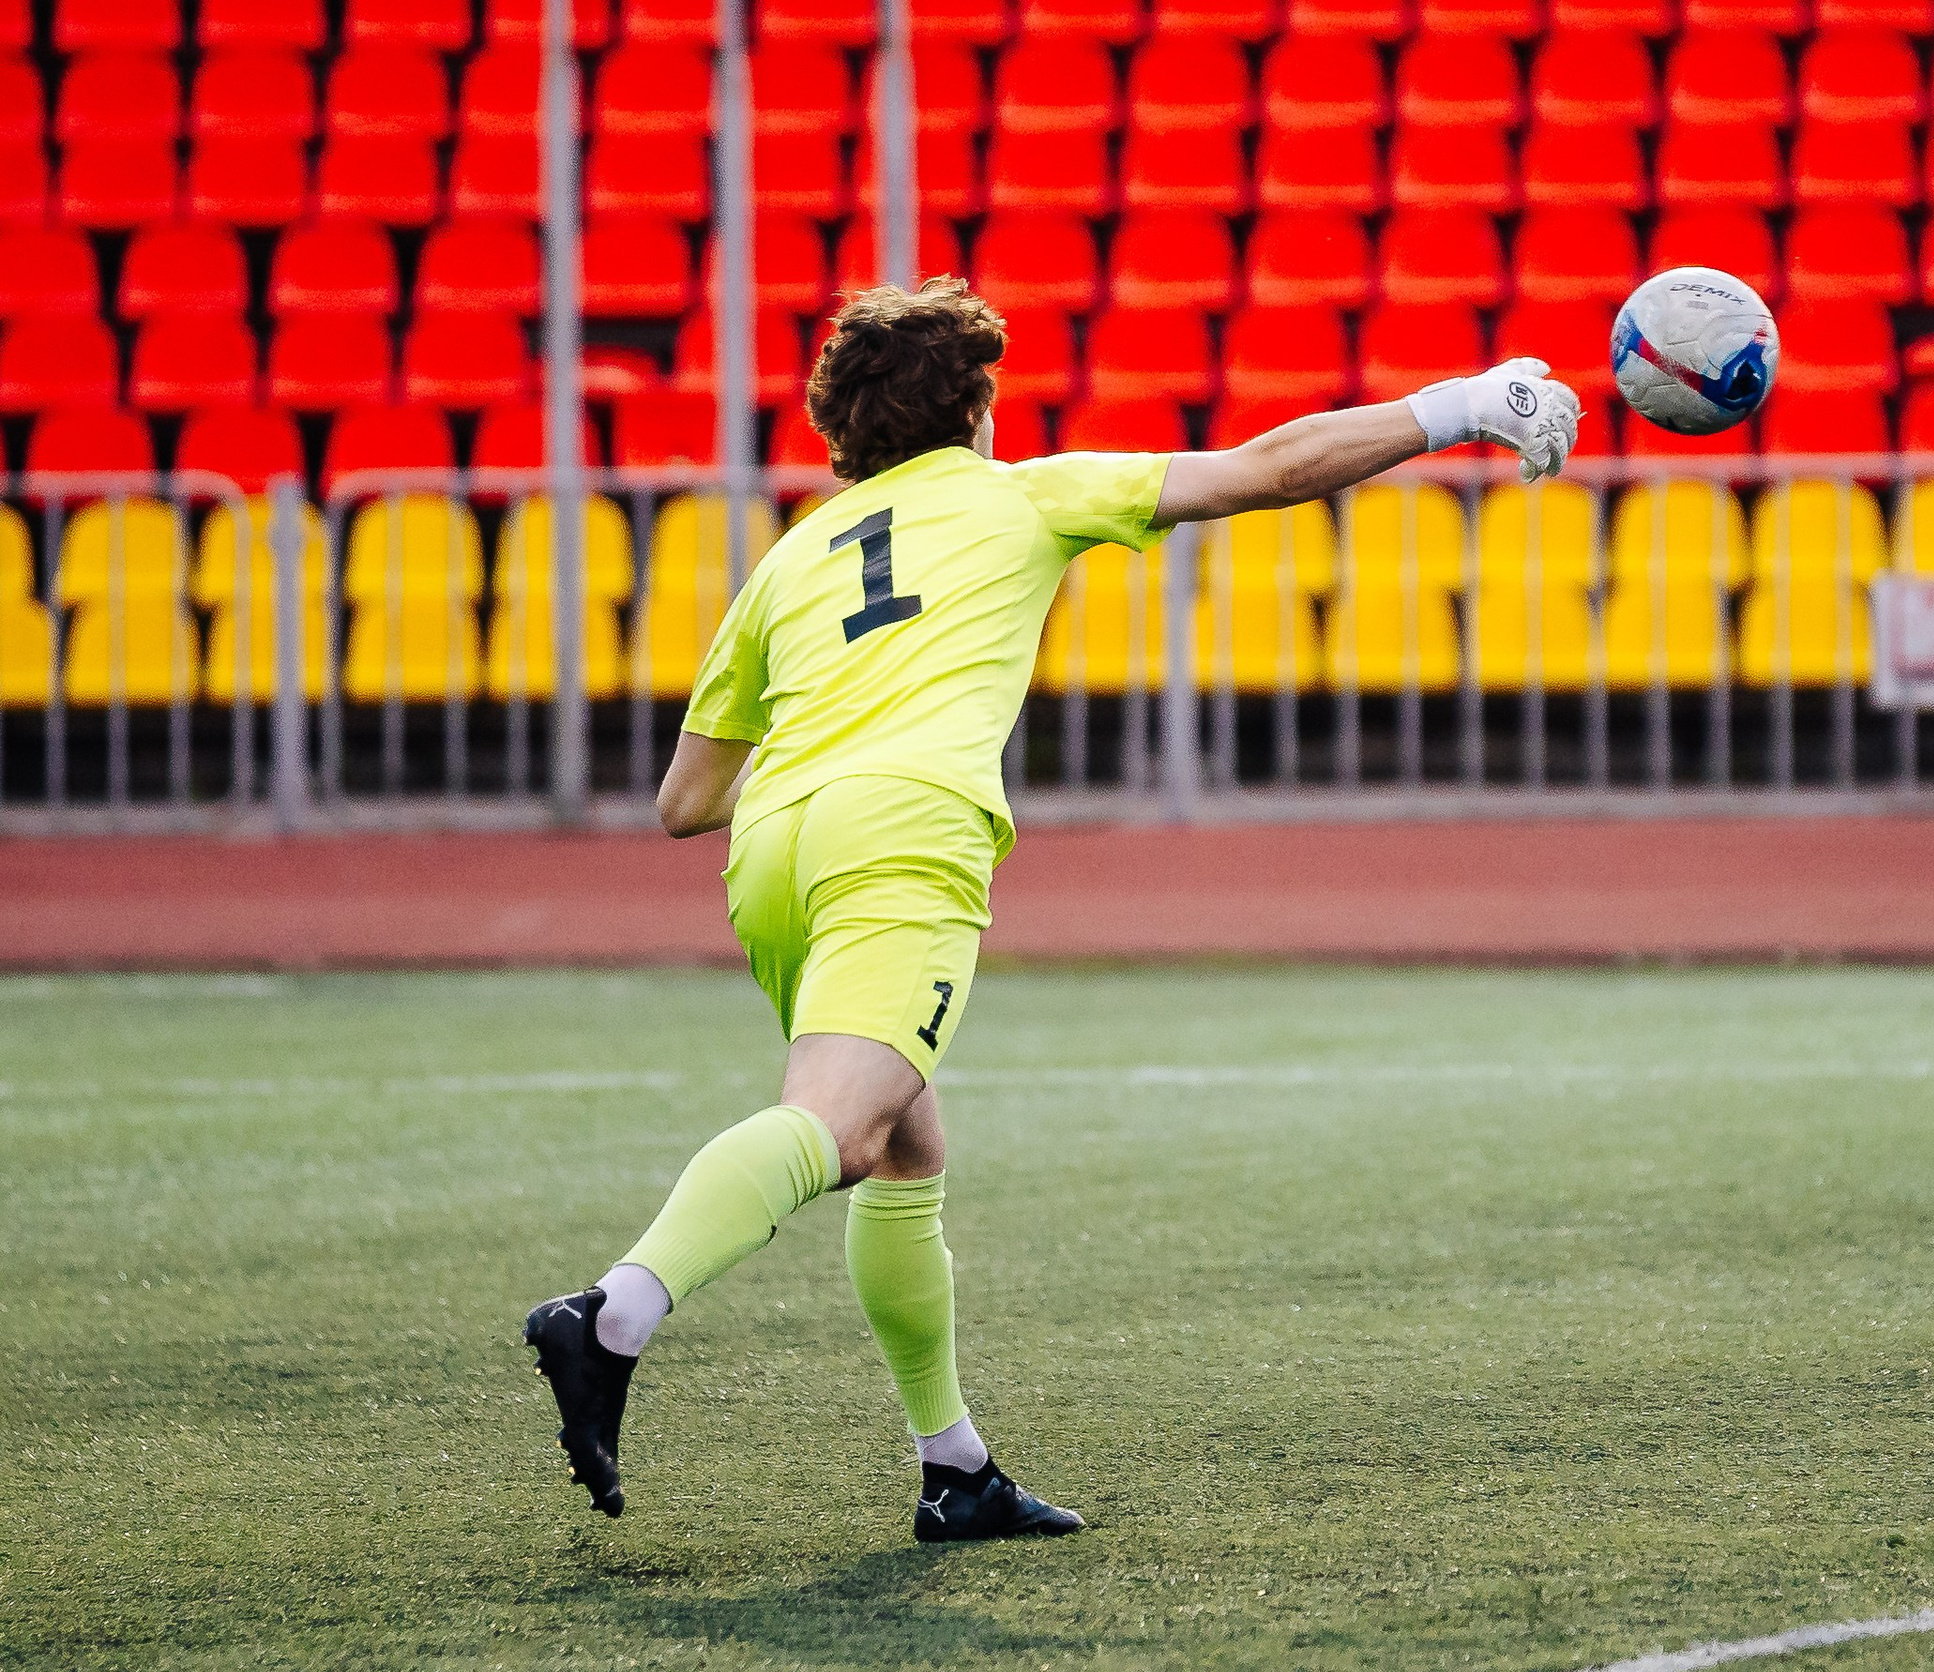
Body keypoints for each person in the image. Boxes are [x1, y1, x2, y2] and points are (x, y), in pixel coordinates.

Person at [525, 276, 1582, 1543]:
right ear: (972, 410)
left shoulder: (789, 560)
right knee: (841, 1129)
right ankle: (615, 1312)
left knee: (907, 1147)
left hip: (771, 850)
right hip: (904, 831)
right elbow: (1264, 467)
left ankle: (954, 1467)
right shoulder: (1019, 493)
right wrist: (1457, 404)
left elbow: (683, 801)